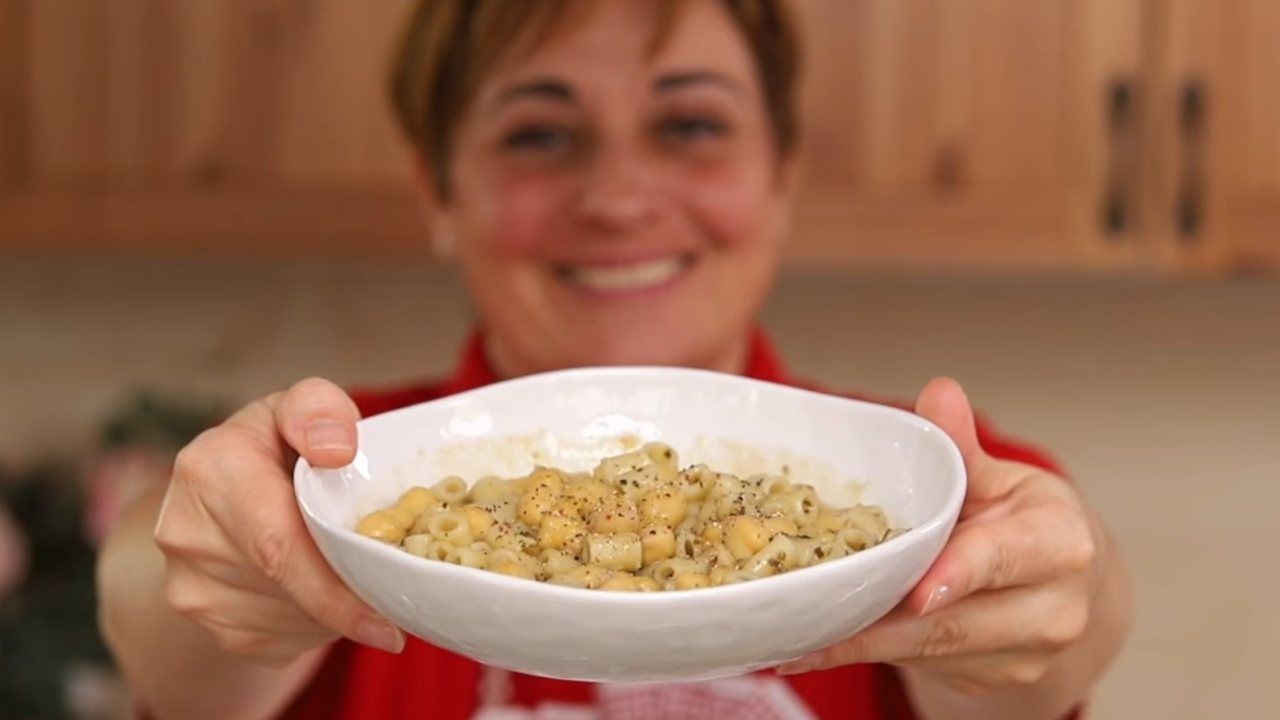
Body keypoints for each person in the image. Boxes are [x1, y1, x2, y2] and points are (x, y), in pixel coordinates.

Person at [97, 1, 1131, 718]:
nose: (619, 197)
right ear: (437, 192)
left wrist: (1030, 605)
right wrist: (214, 559)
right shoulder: (340, 478)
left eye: (689, 125)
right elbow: (173, 626)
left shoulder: (929, 481)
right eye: (541, 135)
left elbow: (1047, 649)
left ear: (780, 175)